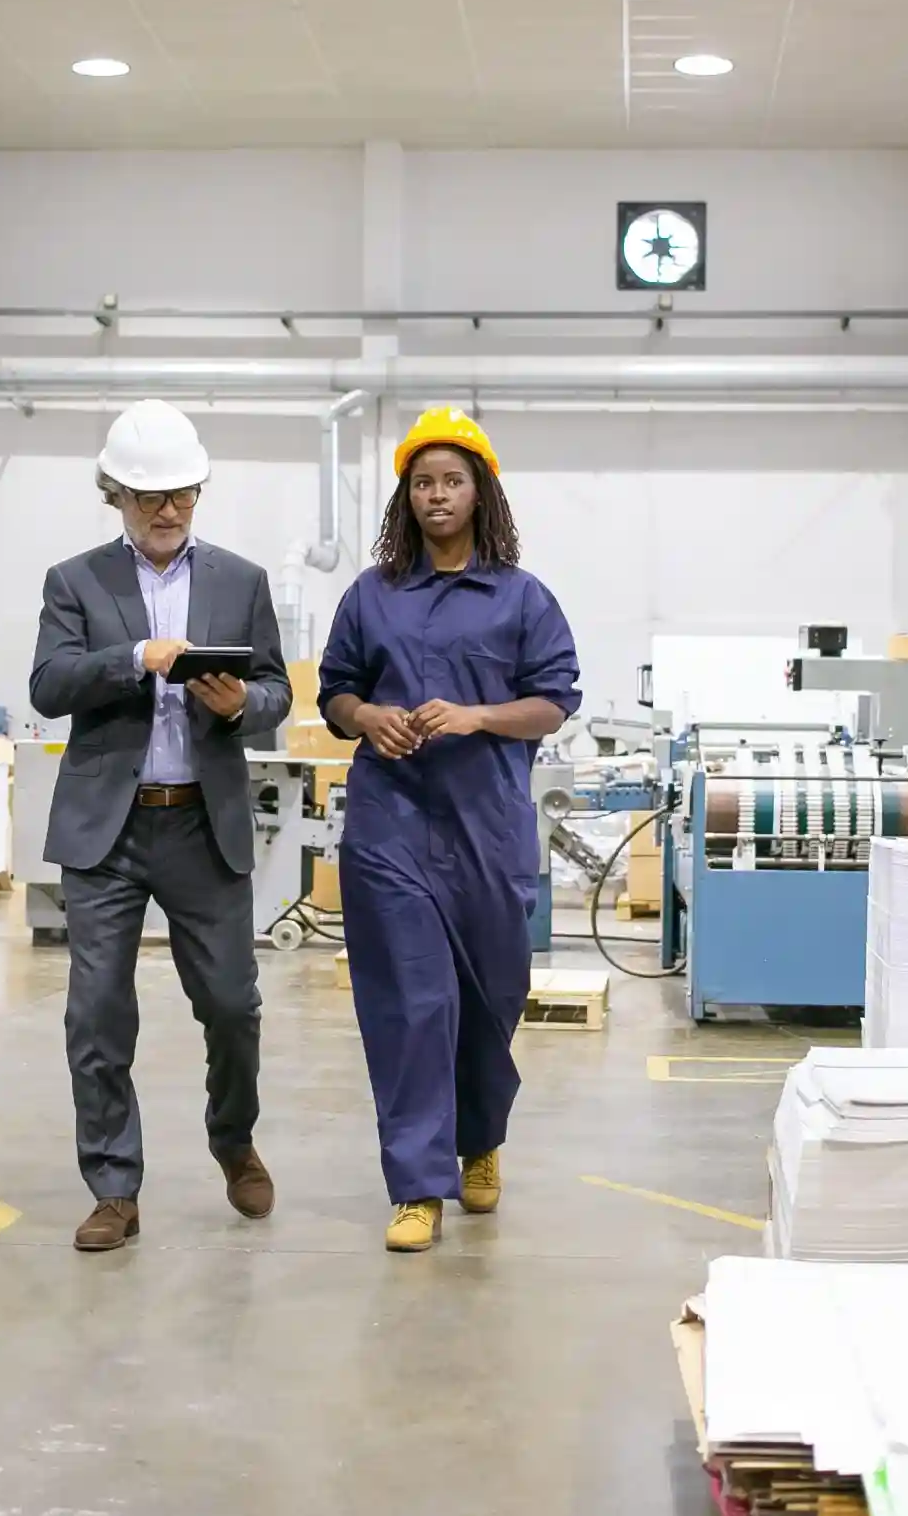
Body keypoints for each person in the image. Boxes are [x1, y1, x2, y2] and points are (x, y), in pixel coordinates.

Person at [30, 398, 293, 1253]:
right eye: (149, 497)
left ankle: (233, 1138)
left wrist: (239, 703)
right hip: (108, 834)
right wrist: (129, 662)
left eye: (181, 493)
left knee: (231, 1007)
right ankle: (114, 1186)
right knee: (97, 1015)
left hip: (200, 828)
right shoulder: (74, 581)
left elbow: (277, 696)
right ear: (114, 496)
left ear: (199, 490)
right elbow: (49, 685)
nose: (168, 510)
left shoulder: (240, 582)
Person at [317, 407, 581, 1252]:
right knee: (409, 1002)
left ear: (479, 492)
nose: (437, 495)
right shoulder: (372, 594)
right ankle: (417, 1187)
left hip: (486, 828)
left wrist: (474, 718)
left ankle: (481, 1140)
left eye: (452, 481)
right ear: (408, 494)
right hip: (390, 827)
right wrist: (368, 718)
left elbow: (555, 701)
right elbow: (334, 693)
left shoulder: (521, 598)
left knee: (488, 999)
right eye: (423, 482)